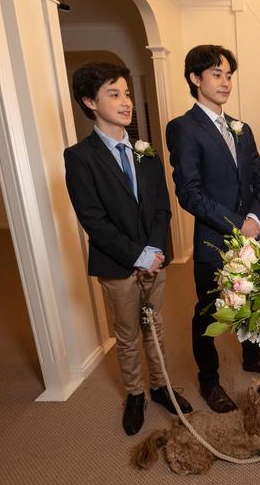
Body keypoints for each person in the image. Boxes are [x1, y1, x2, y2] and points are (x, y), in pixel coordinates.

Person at [65, 62, 192, 436]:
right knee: (127, 334)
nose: (126, 102)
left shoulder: (146, 150)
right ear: (90, 101)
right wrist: (136, 256)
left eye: (126, 93)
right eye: (114, 94)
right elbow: (93, 220)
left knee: (156, 327)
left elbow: (160, 207)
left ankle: (160, 387)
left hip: (154, 260)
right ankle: (135, 394)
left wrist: (153, 251)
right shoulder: (79, 157)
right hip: (116, 265)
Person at [166, 45, 260, 414]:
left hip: (250, 234)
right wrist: (240, 225)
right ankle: (209, 380)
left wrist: (255, 219)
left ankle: (252, 358)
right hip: (214, 240)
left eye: (229, 75)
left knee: (254, 299)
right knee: (208, 310)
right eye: (216, 74)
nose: (225, 82)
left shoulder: (242, 128)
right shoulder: (183, 128)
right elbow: (189, 193)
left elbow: (259, 182)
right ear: (195, 78)